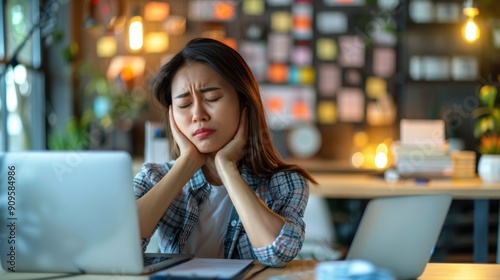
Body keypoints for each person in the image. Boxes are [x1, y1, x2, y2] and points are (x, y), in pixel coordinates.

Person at [133, 37, 317, 267]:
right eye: (184, 105)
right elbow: (117, 246)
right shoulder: (154, 178)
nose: (198, 114)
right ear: (172, 117)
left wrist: (227, 169)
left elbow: (277, 253)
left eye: (212, 98)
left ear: (243, 102)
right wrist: (186, 163)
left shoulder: (285, 183)